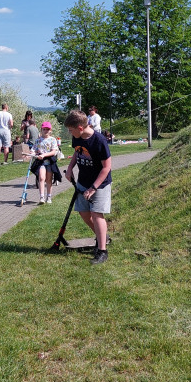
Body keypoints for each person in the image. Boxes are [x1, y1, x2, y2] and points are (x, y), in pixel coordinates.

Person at [64, 109, 112, 265]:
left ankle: (102, 251)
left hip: (100, 184)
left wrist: (94, 188)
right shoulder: (77, 137)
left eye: (71, 130)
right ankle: (102, 237)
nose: (70, 133)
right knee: (84, 213)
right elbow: (77, 153)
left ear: (80, 128)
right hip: (83, 182)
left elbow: (107, 167)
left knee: (97, 214)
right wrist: (70, 168)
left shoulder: (99, 141)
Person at [32, 121, 61, 205]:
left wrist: (44, 155)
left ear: (50, 130)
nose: (46, 131)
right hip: (41, 162)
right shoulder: (38, 140)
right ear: (41, 130)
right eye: (44, 129)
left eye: (47, 129)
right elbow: (34, 149)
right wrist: (31, 154)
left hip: (50, 161)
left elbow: (53, 152)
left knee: (49, 179)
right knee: (41, 178)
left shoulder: (53, 140)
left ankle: (49, 197)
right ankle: (41, 197)